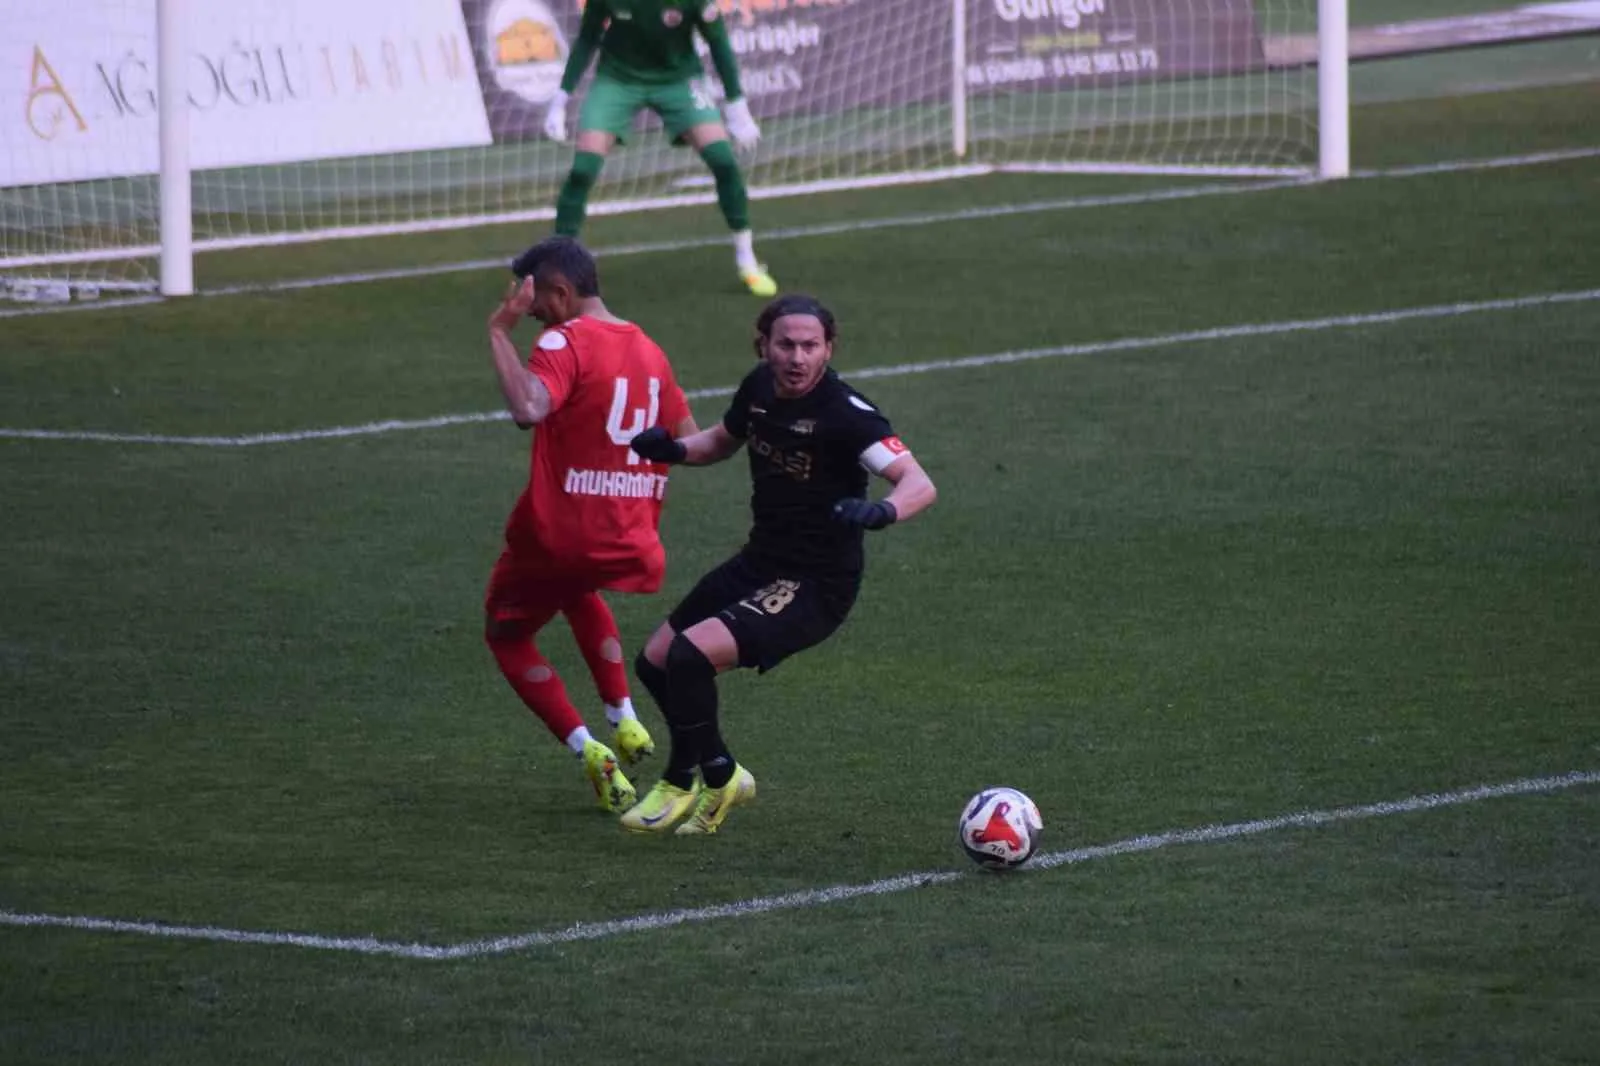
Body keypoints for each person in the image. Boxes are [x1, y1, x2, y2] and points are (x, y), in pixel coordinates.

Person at [622, 294, 937, 835]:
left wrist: (882, 511)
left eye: (810, 346)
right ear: (763, 345)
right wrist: (673, 450)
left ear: (828, 349)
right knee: (655, 662)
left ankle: (701, 778)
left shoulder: (845, 414)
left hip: (816, 582)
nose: (797, 357)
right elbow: (722, 441)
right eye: (786, 345)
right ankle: (704, 776)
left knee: (689, 656)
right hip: (760, 560)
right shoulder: (759, 389)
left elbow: (919, 482)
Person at [484, 235, 696, 813]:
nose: (532, 314)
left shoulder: (564, 339)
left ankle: (588, 749)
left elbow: (529, 408)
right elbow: (689, 438)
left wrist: (499, 333)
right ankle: (623, 715)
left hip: (557, 535)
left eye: (535, 303)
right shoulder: (649, 350)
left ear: (560, 291)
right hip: (625, 538)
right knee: (576, 588)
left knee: (506, 636)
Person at [543, 0, 777, 298]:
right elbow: (588, 38)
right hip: (617, 80)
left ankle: (747, 260)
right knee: (582, 170)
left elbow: (718, 43)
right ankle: (560, 266)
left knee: (723, 161)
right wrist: (560, 100)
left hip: (679, 81)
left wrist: (737, 106)